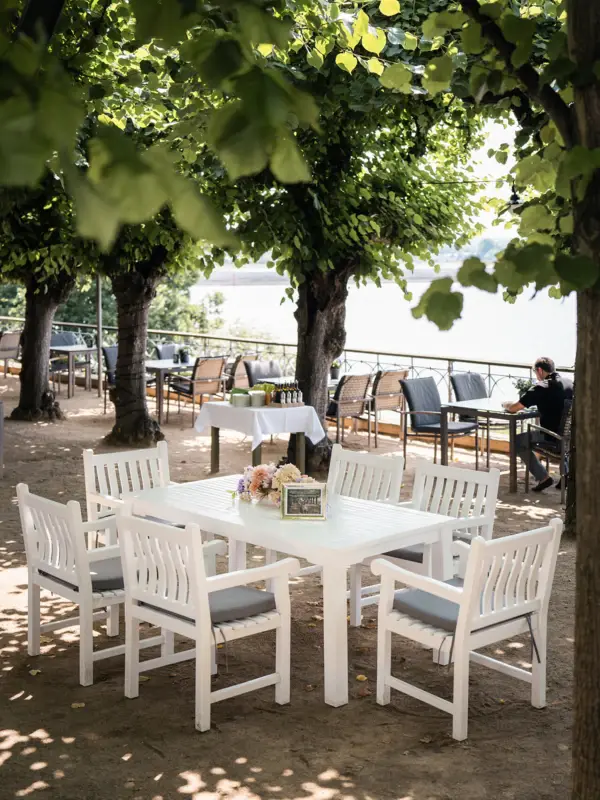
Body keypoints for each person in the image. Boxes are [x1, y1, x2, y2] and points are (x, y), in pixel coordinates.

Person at [502, 357, 573, 492]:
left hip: (550, 438)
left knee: (517, 441)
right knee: (561, 432)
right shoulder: (570, 383)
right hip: (569, 438)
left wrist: (505, 404)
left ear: (540, 370)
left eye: (535, 371)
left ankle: (543, 477)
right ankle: (566, 474)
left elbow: (514, 408)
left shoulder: (541, 387)